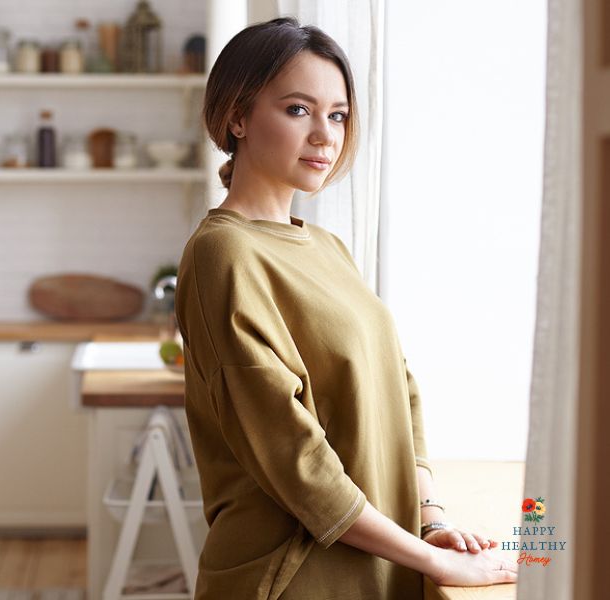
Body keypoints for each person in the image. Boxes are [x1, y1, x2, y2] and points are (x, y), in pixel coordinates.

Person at [174, 17, 519, 599]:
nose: (325, 136)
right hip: (292, 576)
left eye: (336, 115)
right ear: (237, 116)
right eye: (298, 110)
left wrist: (430, 520)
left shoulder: (327, 248)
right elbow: (294, 459)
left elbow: (399, 389)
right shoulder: (222, 254)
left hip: (381, 561)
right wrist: (436, 564)